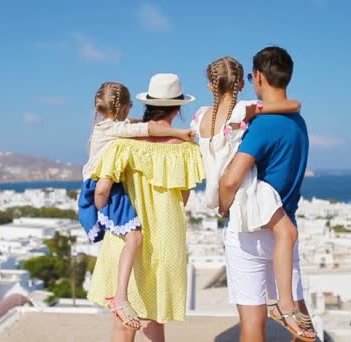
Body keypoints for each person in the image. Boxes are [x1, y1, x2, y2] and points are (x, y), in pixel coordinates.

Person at [191, 56, 309, 340]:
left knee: (251, 326)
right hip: (251, 192)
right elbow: (293, 104)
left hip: (223, 199)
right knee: (287, 232)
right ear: (244, 82)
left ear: (210, 85)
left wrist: (222, 204)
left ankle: (284, 306)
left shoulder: (200, 117)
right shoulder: (243, 112)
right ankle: (284, 304)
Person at [87, 73, 205, 342]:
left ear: (146, 105)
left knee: (123, 323)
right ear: (178, 109)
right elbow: (184, 198)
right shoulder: (186, 148)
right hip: (166, 237)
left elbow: (103, 188)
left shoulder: (122, 143)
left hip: (124, 235)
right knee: (155, 316)